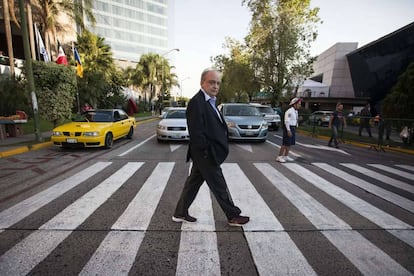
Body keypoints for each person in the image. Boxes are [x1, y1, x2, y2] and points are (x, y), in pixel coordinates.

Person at [172, 68, 249, 227]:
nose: (215, 86)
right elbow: (196, 132)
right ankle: (233, 215)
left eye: (218, 83)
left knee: (193, 183)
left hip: (205, 154)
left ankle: (180, 213)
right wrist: (207, 153)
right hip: (206, 154)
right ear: (202, 83)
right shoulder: (197, 102)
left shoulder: (210, 102)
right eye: (211, 82)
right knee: (219, 185)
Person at [276, 97, 301, 163]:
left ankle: (286, 156)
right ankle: (279, 157)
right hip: (288, 128)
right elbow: (287, 121)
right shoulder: (289, 111)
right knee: (285, 143)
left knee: (289, 143)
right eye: (298, 104)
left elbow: (295, 120)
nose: (299, 105)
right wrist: (288, 130)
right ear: (294, 104)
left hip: (293, 127)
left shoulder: (295, 111)